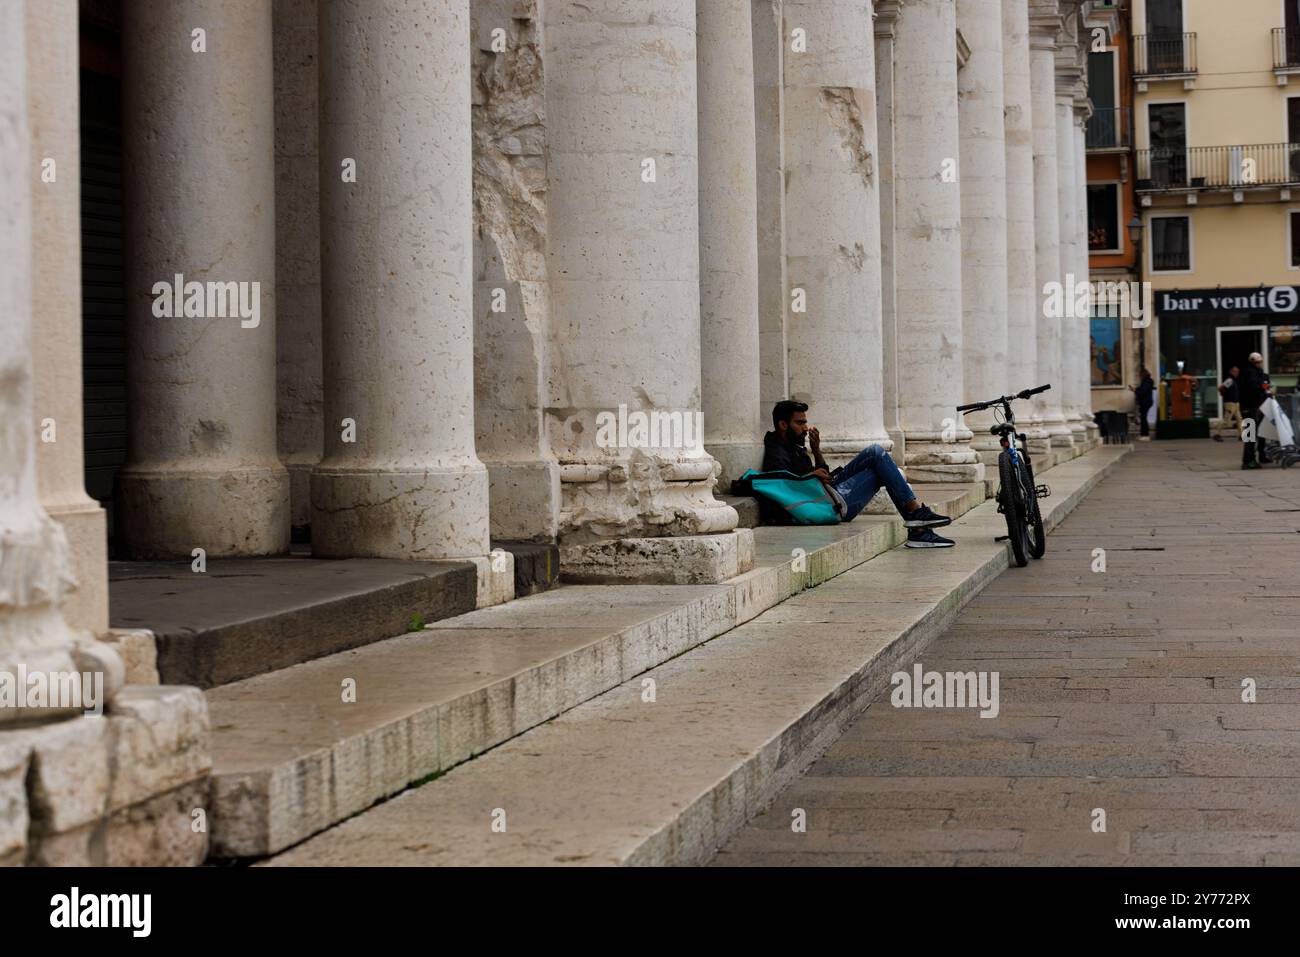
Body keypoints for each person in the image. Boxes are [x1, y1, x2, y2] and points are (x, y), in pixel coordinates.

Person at [762, 400, 956, 548]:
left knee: (875, 453)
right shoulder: (776, 448)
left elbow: (822, 474)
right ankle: (916, 518)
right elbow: (781, 480)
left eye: (805, 422)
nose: (805, 427)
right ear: (783, 424)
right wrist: (811, 474)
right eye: (800, 423)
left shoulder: (795, 445)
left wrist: (816, 450)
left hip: (828, 493)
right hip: (828, 506)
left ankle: (918, 526)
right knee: (878, 457)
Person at [1239, 351, 1272, 469]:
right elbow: (1254, 388)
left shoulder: (1251, 372)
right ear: (1257, 362)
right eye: (1259, 362)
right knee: (1250, 436)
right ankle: (1248, 461)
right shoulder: (1251, 373)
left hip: (1248, 407)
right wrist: (1264, 389)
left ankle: (1250, 459)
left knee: (1250, 435)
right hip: (1250, 407)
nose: (1260, 364)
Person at [1213, 365, 1241, 442]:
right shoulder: (1230, 380)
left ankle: (1241, 435)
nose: (1237, 373)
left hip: (1235, 403)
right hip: (1230, 403)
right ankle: (1217, 434)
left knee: (1239, 419)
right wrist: (1224, 394)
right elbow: (1220, 387)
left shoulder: (1233, 380)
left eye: (1237, 371)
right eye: (1235, 371)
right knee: (1226, 420)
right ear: (1231, 372)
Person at [1129, 367, 1155, 439]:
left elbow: (1143, 391)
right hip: (1146, 402)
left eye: (1140, 374)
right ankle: (1143, 434)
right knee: (1143, 418)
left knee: (1143, 418)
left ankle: (1145, 435)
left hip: (1145, 402)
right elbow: (1142, 389)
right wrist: (1135, 389)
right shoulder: (1147, 381)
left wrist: (1135, 391)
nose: (1139, 376)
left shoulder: (1146, 381)